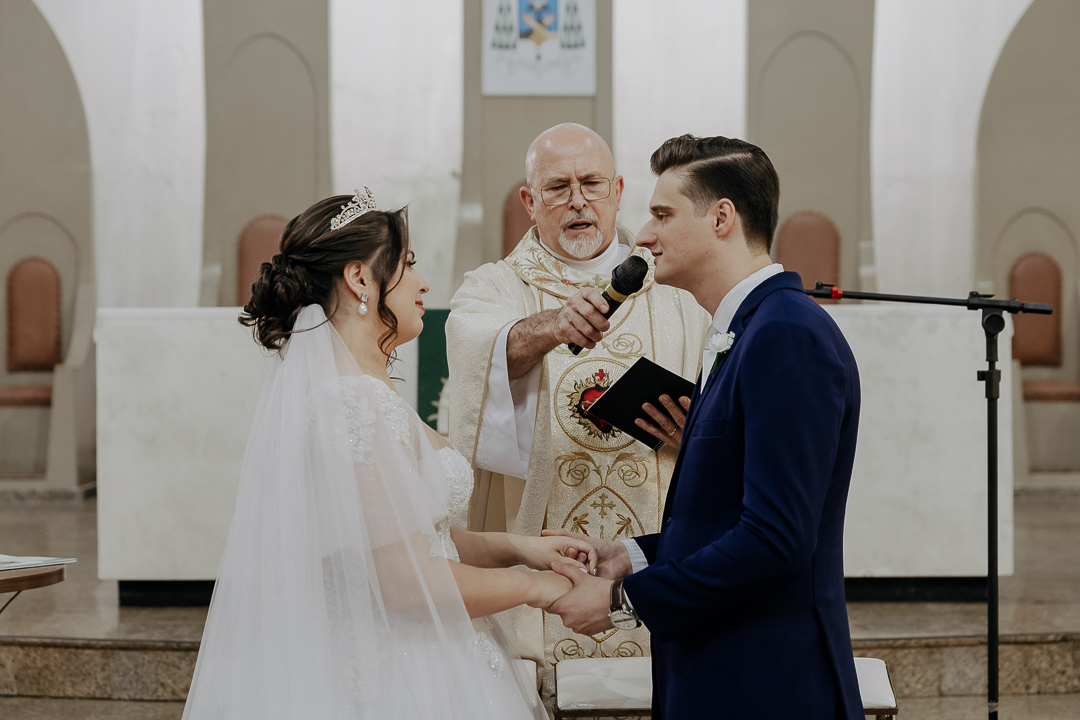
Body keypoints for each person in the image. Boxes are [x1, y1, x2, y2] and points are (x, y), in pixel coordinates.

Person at [182, 189, 599, 720]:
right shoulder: (352, 403)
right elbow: (403, 581)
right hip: (402, 672)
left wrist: (517, 547)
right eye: (407, 265)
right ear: (360, 278)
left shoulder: (358, 392)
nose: (424, 283)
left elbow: (411, 539)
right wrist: (536, 588)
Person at [545, 135, 864, 719]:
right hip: (725, 673)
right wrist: (631, 557)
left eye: (663, 214)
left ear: (722, 218)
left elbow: (776, 540)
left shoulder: (786, 335)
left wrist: (622, 601)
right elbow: (727, 519)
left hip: (768, 683)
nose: (642, 235)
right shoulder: (746, 332)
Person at [445, 124, 709, 697]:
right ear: (529, 200)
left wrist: (700, 440)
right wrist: (549, 328)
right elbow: (477, 352)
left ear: (617, 191)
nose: (578, 201)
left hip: (653, 561)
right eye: (558, 187)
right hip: (538, 571)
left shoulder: (677, 293)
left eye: (591, 184)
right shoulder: (493, 287)